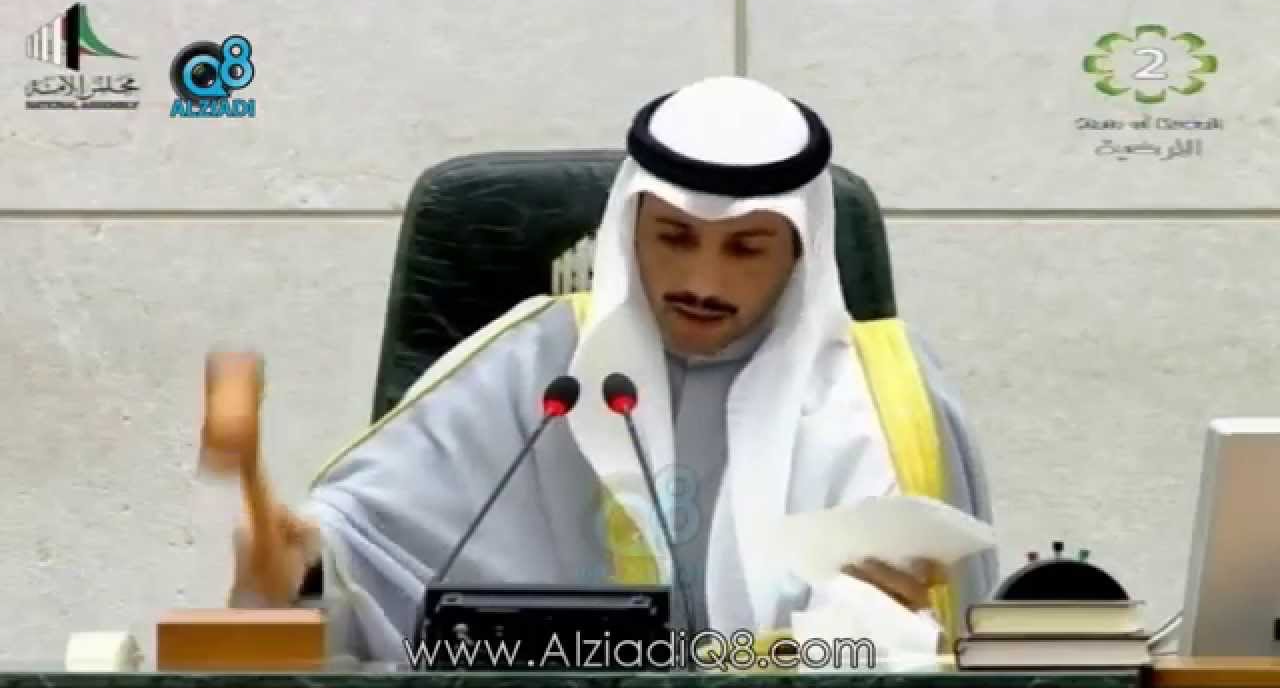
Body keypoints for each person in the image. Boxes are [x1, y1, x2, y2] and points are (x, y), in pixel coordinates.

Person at [220, 76, 997, 663]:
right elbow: (357, 553)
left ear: (800, 253)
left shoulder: (887, 403)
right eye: (674, 238)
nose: (703, 281)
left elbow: (953, 648)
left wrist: (869, 632)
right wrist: (299, 566)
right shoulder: (541, 366)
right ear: (629, 228)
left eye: (746, 248)